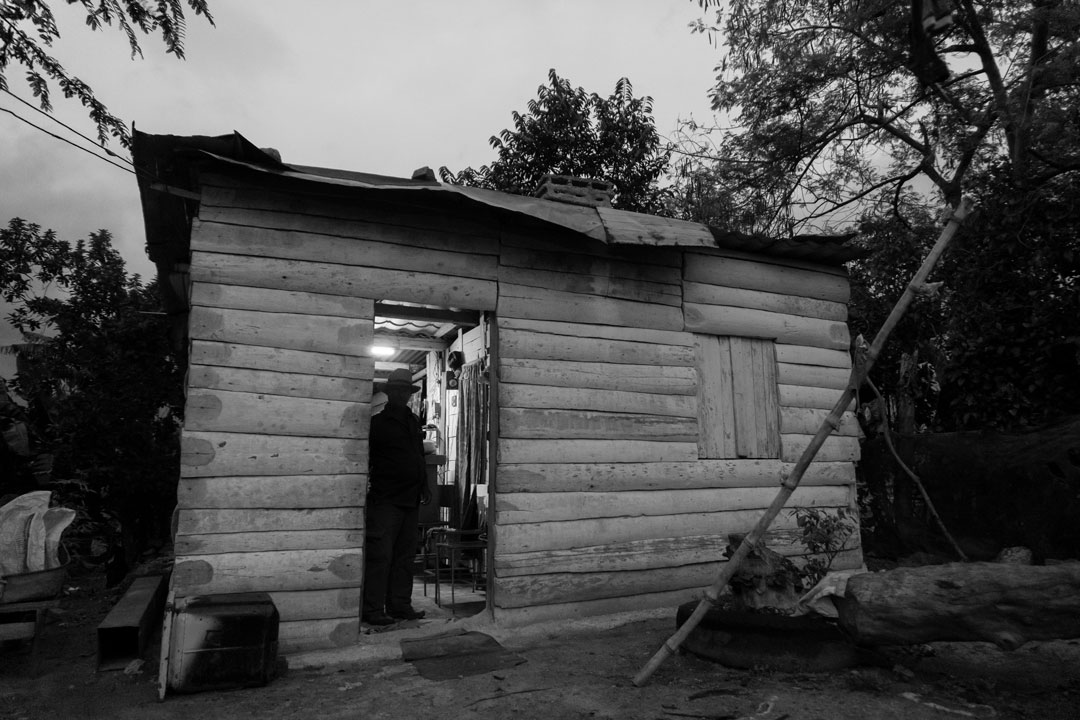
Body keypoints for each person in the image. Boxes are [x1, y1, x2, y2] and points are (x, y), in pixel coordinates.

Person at [362, 369, 433, 625]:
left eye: (405, 391)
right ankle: (372, 610)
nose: (402, 394)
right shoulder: (377, 424)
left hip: (410, 499)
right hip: (386, 499)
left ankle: (400, 605)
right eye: (398, 391)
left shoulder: (413, 421)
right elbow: (366, 458)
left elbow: (418, 456)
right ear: (390, 393)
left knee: (404, 557)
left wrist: (424, 485)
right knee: (380, 557)